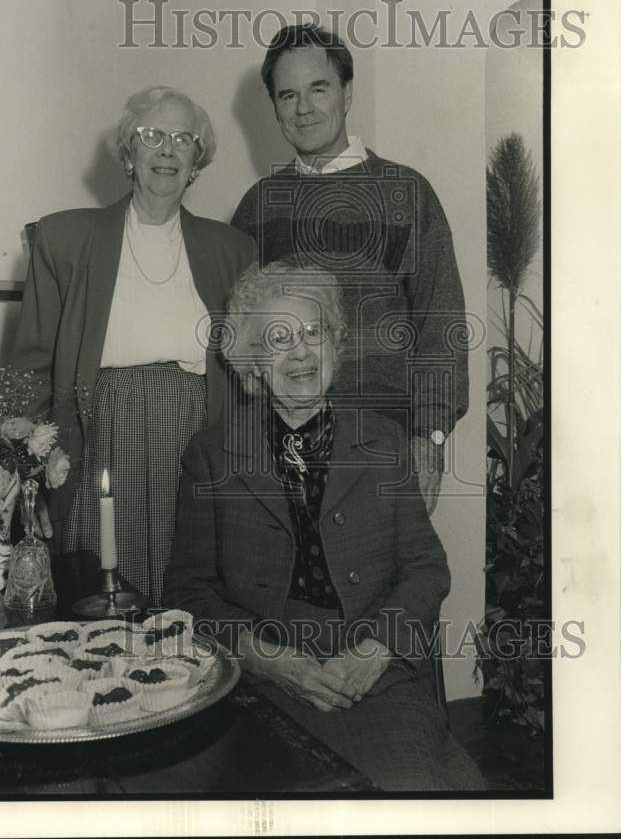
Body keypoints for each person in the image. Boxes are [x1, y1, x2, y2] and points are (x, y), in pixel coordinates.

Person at [163, 260, 484, 791]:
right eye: (279, 338)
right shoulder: (212, 455)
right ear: (253, 363)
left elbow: (427, 570)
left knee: (412, 786)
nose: (302, 352)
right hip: (262, 673)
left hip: (374, 669)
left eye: (314, 333)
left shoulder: (383, 443)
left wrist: (374, 651)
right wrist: (275, 663)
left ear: (335, 345)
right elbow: (188, 593)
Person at [12, 87, 255, 603]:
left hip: (195, 447)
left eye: (183, 140)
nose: (167, 150)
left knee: (191, 601)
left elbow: (250, 375)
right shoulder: (65, 238)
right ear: (128, 153)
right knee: (101, 605)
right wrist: (32, 476)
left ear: (196, 162)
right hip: (99, 441)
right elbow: (31, 365)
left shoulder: (233, 250)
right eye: (152, 136)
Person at [231, 24, 469, 514]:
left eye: (318, 88)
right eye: (288, 94)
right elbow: (237, 335)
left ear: (347, 92)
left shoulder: (405, 191)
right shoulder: (258, 206)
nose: (303, 108)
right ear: (274, 105)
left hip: (385, 444)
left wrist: (431, 434)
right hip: (279, 449)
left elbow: (440, 320)